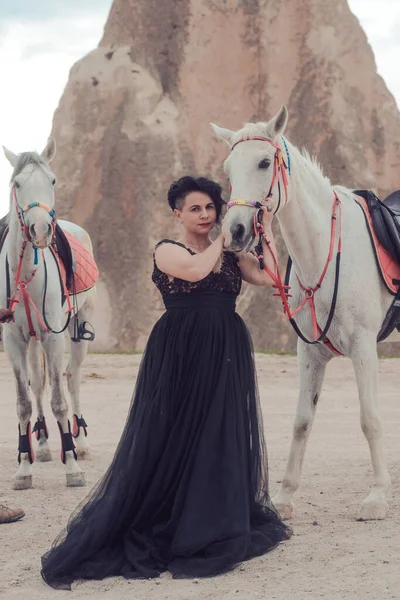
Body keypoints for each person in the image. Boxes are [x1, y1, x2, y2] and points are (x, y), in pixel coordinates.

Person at [41, 176, 290, 590]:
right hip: (181, 349)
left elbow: (272, 277)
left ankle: (212, 514)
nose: (205, 215)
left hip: (226, 346)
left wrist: (263, 232)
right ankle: (170, 516)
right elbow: (194, 270)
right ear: (178, 213)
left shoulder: (228, 252)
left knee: (218, 429)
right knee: (172, 432)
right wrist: (226, 237)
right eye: (196, 208)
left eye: (211, 207)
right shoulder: (168, 249)